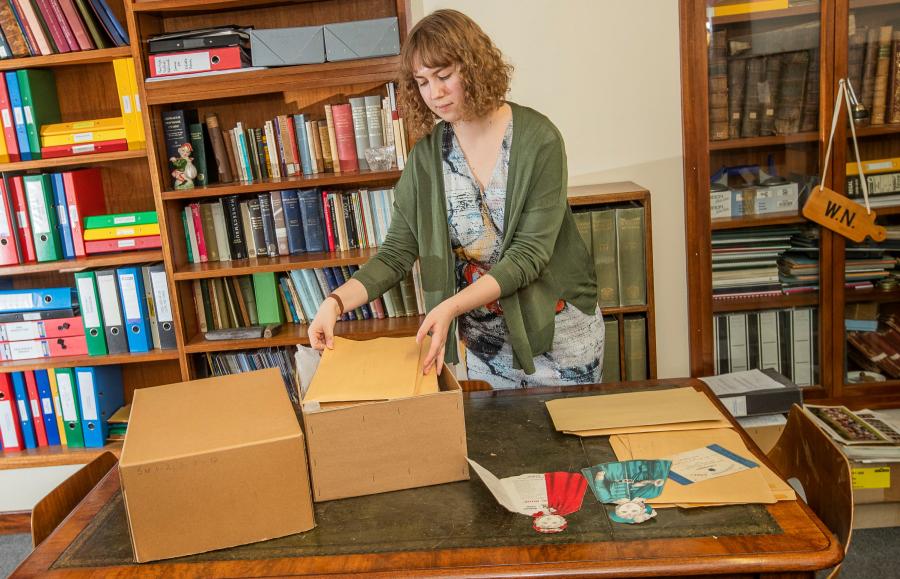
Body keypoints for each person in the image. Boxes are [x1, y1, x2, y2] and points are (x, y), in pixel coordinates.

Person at [308, 9, 604, 389]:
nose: (435, 93)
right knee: (498, 445)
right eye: (423, 82)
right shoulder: (427, 159)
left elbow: (529, 254)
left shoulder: (539, 139)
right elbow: (397, 252)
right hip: (487, 345)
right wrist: (334, 303)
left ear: (475, 66)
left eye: (444, 76)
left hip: (562, 332)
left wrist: (450, 305)